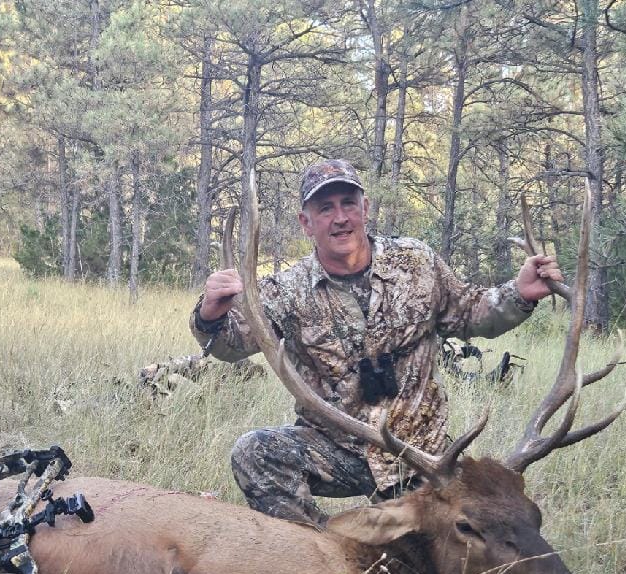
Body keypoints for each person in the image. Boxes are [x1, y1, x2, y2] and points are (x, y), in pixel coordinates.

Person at [191, 158, 563, 525]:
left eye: (348, 204)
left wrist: (519, 293)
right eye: (325, 208)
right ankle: (320, 547)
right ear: (306, 223)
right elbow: (232, 345)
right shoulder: (287, 290)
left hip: (422, 454)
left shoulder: (416, 262)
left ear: (365, 208)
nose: (340, 218)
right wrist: (210, 315)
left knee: (489, 527)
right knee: (256, 453)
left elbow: (468, 311)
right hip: (338, 449)